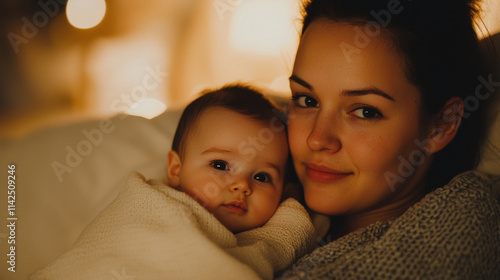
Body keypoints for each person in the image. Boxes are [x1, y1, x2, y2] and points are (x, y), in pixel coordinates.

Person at [279, 0, 500, 278]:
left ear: (441, 125)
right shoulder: (242, 174)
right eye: (306, 99)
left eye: (365, 111)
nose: (317, 139)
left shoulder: (449, 247)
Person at [30, 84, 317, 280]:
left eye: (262, 177)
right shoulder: (147, 205)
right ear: (176, 169)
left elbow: (279, 242)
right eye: (220, 165)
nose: (242, 185)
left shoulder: (255, 241)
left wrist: (295, 208)